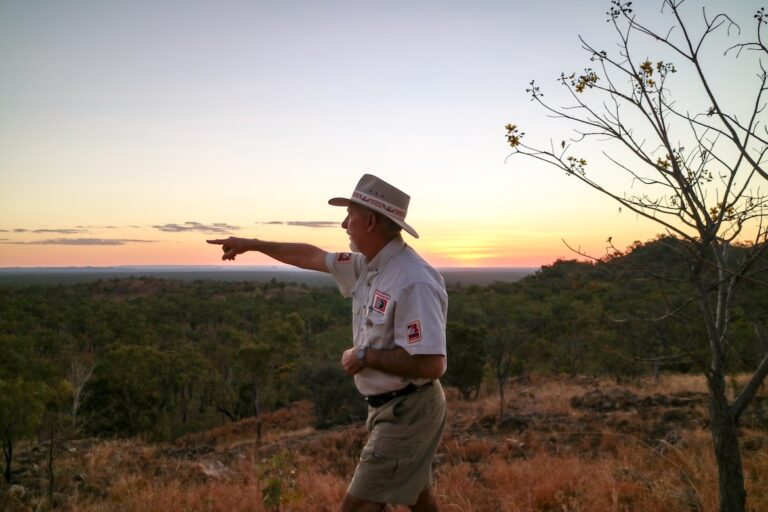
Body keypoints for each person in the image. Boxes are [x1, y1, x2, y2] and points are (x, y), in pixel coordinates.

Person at [207, 174, 448, 512]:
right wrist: (255, 244)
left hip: (409, 411)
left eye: (350, 215)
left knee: (360, 504)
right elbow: (311, 256)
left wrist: (364, 355)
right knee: (420, 500)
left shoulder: (413, 280)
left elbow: (432, 364)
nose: (344, 223)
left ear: (371, 220)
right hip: (389, 406)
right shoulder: (369, 266)